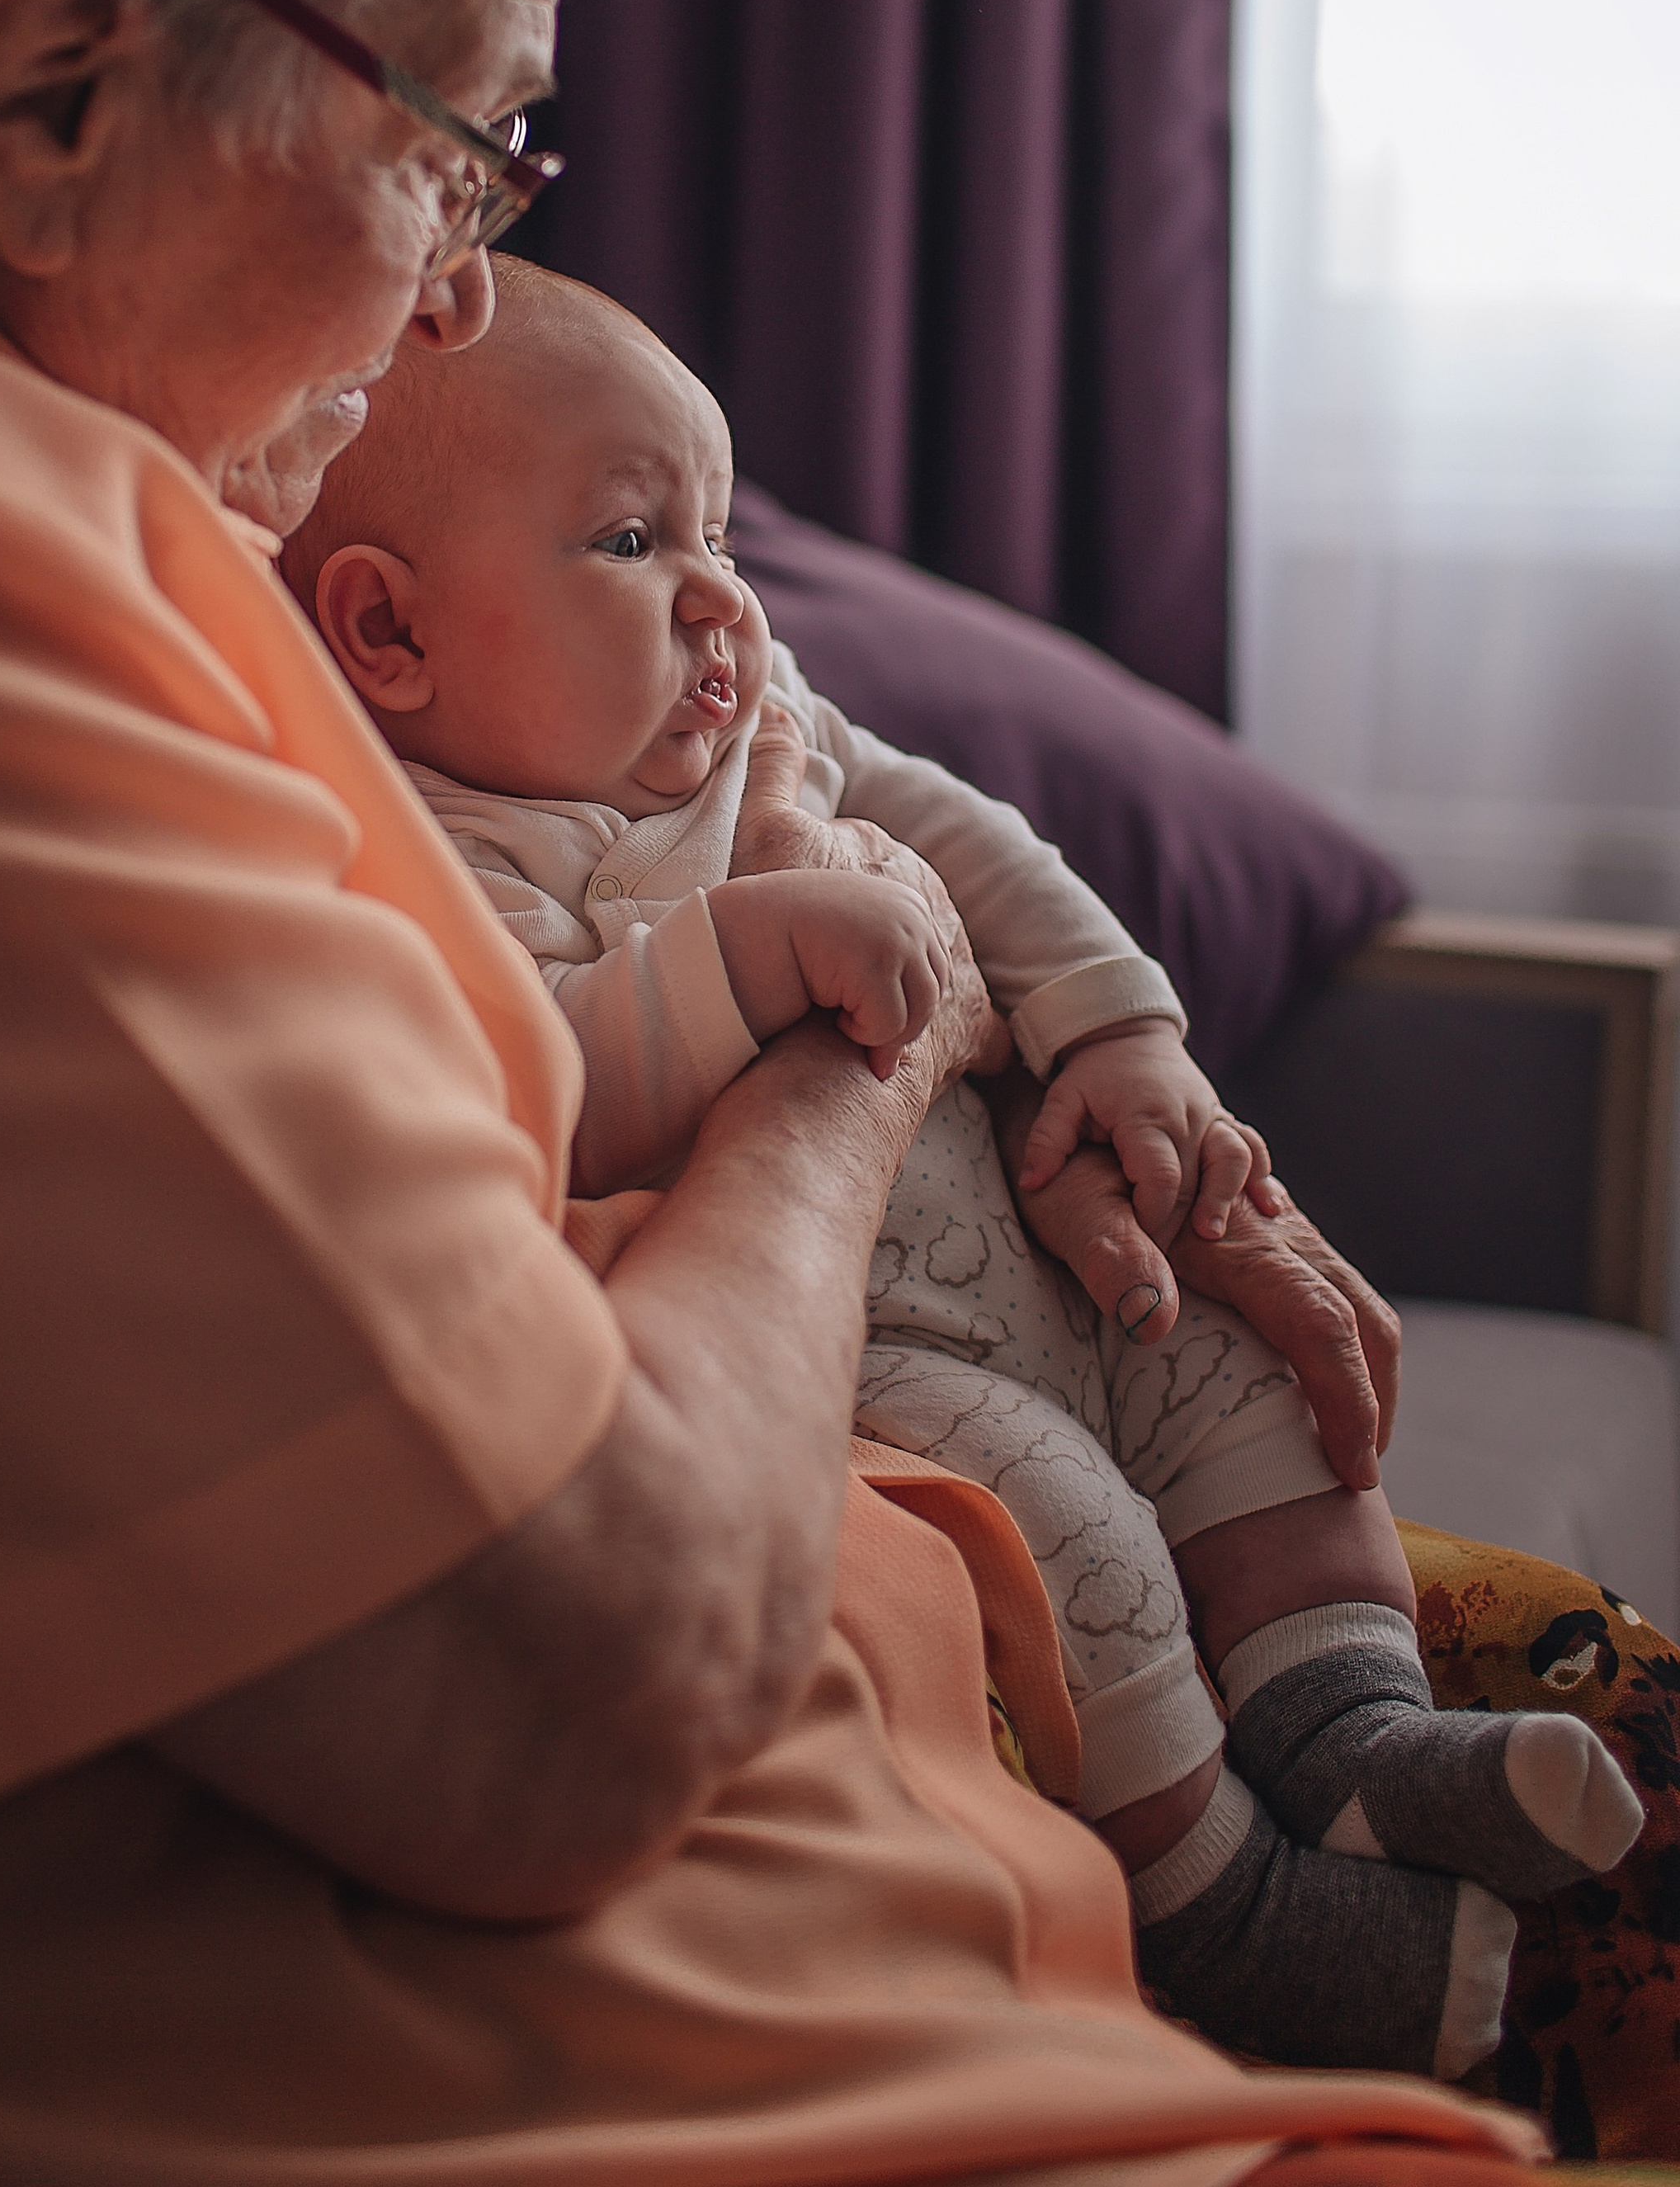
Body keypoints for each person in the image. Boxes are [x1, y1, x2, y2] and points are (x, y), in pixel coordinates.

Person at [0, 0, 1547, 2187]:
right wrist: (844, 1059)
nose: (459, 275)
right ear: (41, 94)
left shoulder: (26, 463)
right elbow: (567, 1686)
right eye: (452, 136)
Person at [279, 257, 1641, 2076]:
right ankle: (1233, 1909)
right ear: (387, 635)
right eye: (628, 542)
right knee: (1067, 1538)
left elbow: (975, 847)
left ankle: (1353, 1734)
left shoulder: (763, 729)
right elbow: (540, 1076)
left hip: (1054, 1250)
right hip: (872, 1365)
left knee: (1255, 1399)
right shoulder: (429, 850)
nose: (719, 601)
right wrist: (749, 952)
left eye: (719, 534)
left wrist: (1120, 1036)